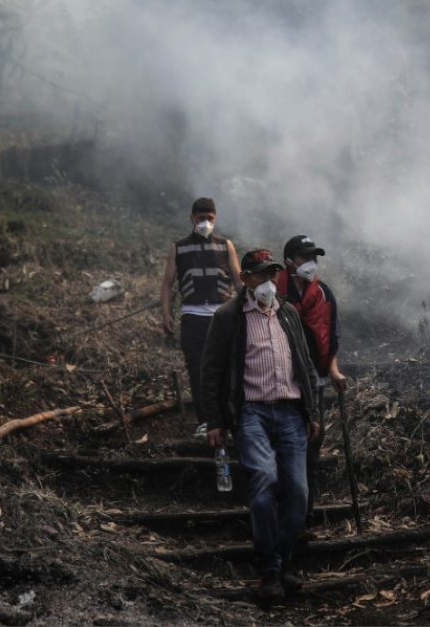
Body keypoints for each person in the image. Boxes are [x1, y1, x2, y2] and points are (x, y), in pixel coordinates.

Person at [197, 248, 321, 601]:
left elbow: (304, 362)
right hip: (253, 413)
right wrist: (215, 420)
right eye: (262, 275)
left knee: (297, 490)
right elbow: (212, 371)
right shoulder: (228, 317)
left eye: (273, 275)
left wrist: (311, 411)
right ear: (245, 279)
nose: (269, 282)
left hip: (292, 413)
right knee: (264, 478)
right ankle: (270, 568)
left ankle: (280, 562)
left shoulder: (289, 314)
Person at [278, 234, 347, 523]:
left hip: (315, 382)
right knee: (283, 445)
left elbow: (329, 341)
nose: (310, 264)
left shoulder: (323, 294)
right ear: (289, 262)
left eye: (313, 258)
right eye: (305, 258)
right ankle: (281, 511)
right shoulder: (273, 293)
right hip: (281, 383)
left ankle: (304, 514)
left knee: (312, 446)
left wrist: (334, 371)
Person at [159, 197, 242, 427]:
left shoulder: (226, 245)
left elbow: (238, 281)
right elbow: (167, 283)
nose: (205, 222)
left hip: (223, 315)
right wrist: (166, 314)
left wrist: (249, 309)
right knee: (198, 369)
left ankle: (229, 418)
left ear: (215, 219)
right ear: (192, 218)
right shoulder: (179, 247)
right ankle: (206, 421)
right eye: (201, 218)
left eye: (210, 218)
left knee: (228, 366)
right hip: (193, 316)